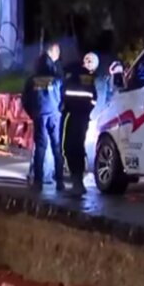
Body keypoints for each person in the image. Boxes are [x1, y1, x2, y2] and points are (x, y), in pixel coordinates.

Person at [21, 43, 64, 190]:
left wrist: (33, 114)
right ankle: (60, 181)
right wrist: (59, 110)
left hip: (39, 116)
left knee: (40, 148)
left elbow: (24, 100)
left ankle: (38, 182)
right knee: (57, 147)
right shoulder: (57, 78)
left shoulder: (32, 79)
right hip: (54, 116)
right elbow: (63, 97)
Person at [62, 53, 100, 194]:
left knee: (70, 146)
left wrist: (65, 110)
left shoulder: (70, 75)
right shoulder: (88, 78)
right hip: (83, 117)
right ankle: (78, 180)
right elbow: (94, 98)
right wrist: (88, 110)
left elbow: (64, 95)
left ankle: (76, 180)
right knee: (78, 145)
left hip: (73, 116)